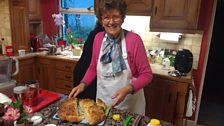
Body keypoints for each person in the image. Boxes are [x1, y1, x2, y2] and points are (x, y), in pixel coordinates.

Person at [69, 0, 153, 115]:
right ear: (101, 20)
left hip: (129, 105)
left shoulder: (134, 40)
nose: (111, 22)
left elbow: (147, 74)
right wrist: (83, 84)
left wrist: (128, 89)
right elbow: (93, 67)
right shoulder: (98, 38)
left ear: (122, 18)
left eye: (116, 17)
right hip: (103, 102)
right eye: (106, 17)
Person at [73, 21, 104, 100]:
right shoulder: (98, 36)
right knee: (87, 103)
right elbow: (94, 65)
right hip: (86, 73)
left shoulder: (93, 33)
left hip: (81, 70)